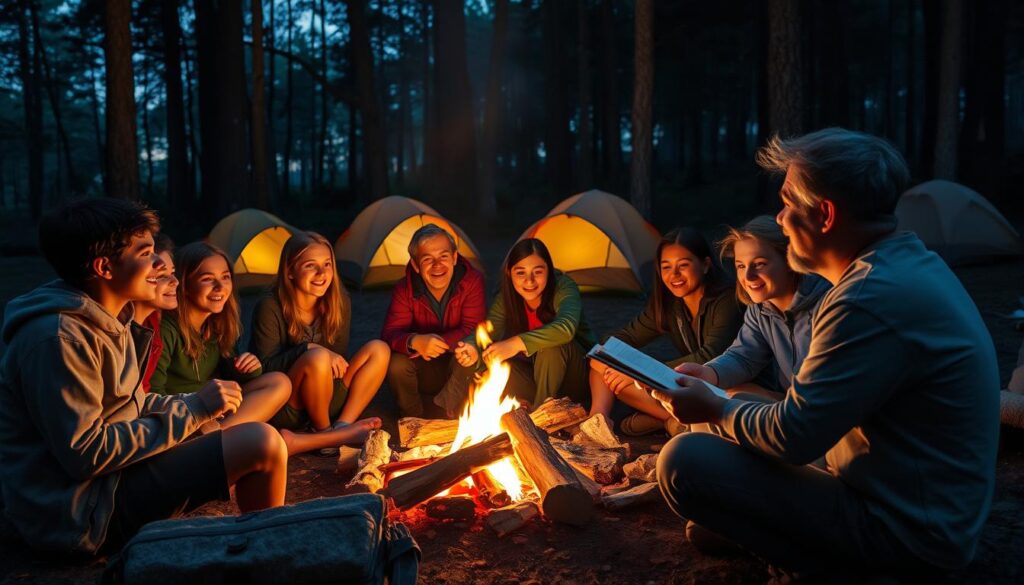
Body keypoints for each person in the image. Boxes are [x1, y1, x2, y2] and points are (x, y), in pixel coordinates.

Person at [655, 128, 1000, 578]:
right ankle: (767, 526)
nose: (779, 219)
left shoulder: (865, 298)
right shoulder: (907, 262)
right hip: (922, 506)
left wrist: (716, 408)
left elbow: (794, 436)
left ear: (824, 214)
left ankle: (816, 564)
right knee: (727, 438)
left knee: (683, 463)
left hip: (908, 534)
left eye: (787, 203)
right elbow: (786, 399)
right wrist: (717, 390)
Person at [0, 199, 285, 555]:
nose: (160, 266)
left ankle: (259, 550)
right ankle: (269, 557)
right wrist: (193, 410)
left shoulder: (109, 318)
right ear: (104, 267)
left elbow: (131, 403)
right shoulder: (59, 339)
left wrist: (192, 407)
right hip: (82, 512)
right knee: (261, 442)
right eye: (147, 254)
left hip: (113, 479)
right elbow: (85, 453)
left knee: (248, 437)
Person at [588, 228, 742, 435]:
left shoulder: (727, 301)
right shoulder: (669, 304)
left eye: (683, 265)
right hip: (686, 385)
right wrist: (618, 361)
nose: (674, 275)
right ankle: (598, 421)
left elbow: (709, 355)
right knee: (601, 362)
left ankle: (669, 420)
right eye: (666, 267)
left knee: (624, 376)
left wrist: (641, 373)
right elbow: (624, 337)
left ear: (705, 265)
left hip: (723, 384)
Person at [250, 231, 386, 454]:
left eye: (327, 264)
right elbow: (264, 369)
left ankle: (342, 426)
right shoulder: (270, 306)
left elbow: (337, 361)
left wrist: (322, 357)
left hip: (324, 395)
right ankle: (324, 434)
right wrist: (308, 348)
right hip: (288, 404)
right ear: (290, 271)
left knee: (378, 349)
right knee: (318, 356)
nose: (321, 273)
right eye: (310, 266)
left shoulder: (338, 300)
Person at [678, 215, 831, 403]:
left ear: (791, 260)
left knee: (730, 401)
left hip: (823, 408)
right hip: (791, 402)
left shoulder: (828, 304)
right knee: (727, 393)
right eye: (741, 266)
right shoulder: (760, 310)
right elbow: (744, 357)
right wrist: (708, 373)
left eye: (759, 264)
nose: (748, 277)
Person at [150, 242, 292, 431]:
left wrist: (247, 368)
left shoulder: (217, 325)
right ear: (184, 285)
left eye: (225, 277)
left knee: (279, 382)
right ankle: (213, 438)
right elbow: (154, 394)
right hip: (182, 411)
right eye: (208, 279)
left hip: (213, 408)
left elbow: (227, 374)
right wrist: (194, 409)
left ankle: (217, 434)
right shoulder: (167, 329)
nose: (219, 287)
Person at [454, 238, 595, 407]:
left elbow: (566, 328)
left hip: (576, 378)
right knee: (492, 363)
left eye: (538, 272)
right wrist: (472, 347)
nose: (529, 281)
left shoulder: (564, 287)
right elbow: (489, 329)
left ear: (549, 271)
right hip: (535, 377)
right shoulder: (507, 296)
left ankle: (540, 417)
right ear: (509, 273)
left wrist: (515, 343)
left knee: (551, 345)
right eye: (520, 273)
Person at [380, 224, 486, 418]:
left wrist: (438, 343)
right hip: (424, 367)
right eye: (427, 259)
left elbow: (474, 328)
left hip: (458, 365)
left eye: (443, 256)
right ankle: (413, 419)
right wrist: (414, 341)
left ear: (454, 258)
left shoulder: (472, 282)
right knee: (396, 364)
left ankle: (447, 411)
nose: (437, 265)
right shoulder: (404, 290)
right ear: (415, 265)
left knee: (471, 352)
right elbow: (390, 333)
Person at [133, 233, 178, 392]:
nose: (175, 281)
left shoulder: (152, 321)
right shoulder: (120, 330)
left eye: (173, 272)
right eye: (161, 276)